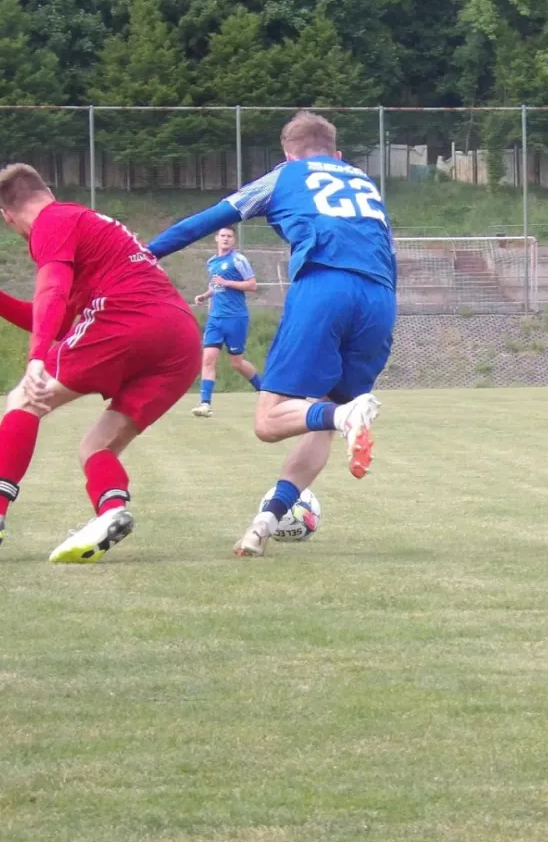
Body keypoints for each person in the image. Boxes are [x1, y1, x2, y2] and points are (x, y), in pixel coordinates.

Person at [148, 110, 395, 558]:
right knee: (321, 418)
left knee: (269, 422)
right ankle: (265, 522)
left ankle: (346, 415)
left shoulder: (284, 175)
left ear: (288, 155)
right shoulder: (363, 181)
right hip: (381, 298)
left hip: (325, 285)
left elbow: (204, 221)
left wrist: (144, 254)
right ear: (338, 154)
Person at [0, 164, 199, 562]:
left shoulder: (50, 222)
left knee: (24, 399)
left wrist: (36, 359)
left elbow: (51, 291)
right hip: (181, 339)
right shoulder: (85, 224)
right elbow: (65, 321)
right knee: (96, 446)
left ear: (6, 215)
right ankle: (112, 512)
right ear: (47, 190)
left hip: (126, 319)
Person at [192, 225, 262, 417]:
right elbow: (216, 285)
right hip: (215, 318)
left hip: (235, 317)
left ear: (234, 240)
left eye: (229, 236)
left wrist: (227, 283)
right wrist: (205, 295)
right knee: (208, 359)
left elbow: (252, 285)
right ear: (216, 238)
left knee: (237, 363)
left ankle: (264, 391)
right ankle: (205, 404)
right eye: (222, 235)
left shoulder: (238, 260)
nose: (225, 239)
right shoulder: (212, 262)